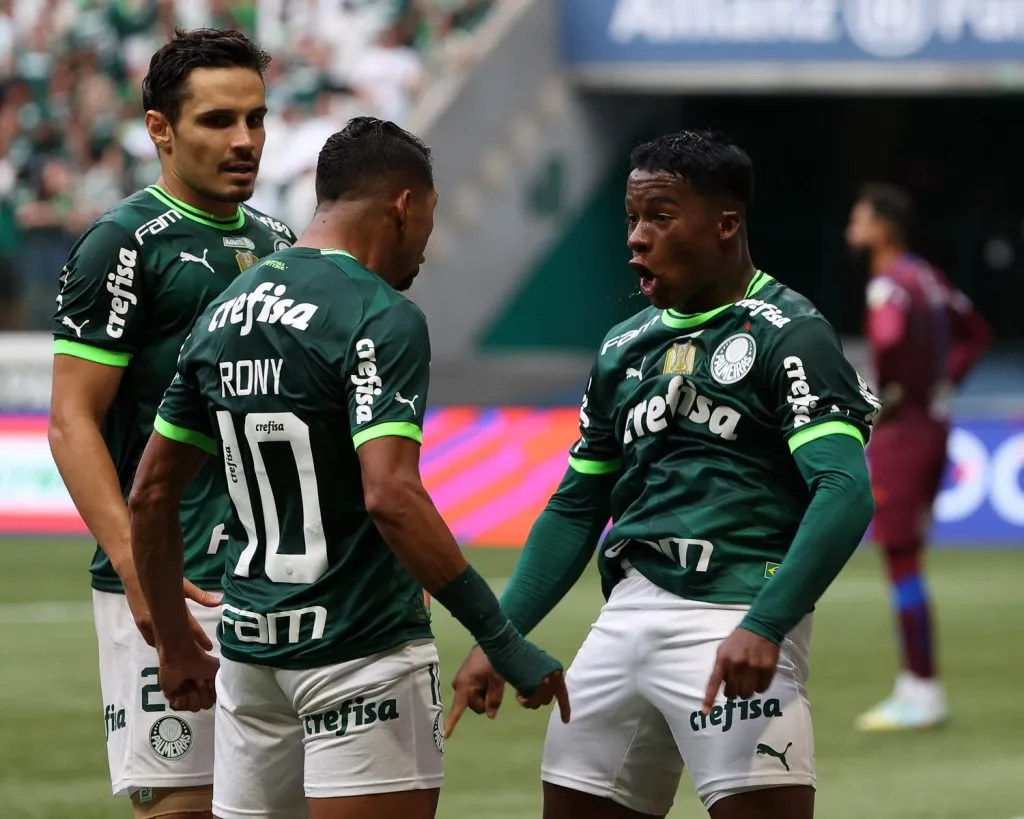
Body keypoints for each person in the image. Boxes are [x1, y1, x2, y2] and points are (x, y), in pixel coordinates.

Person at [127, 116, 570, 819]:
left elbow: (150, 494)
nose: (427, 240)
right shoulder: (378, 312)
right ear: (403, 205)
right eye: (429, 215)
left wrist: (177, 646)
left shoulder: (223, 311)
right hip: (360, 652)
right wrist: (501, 638)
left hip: (252, 658)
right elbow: (391, 494)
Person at [447, 130, 880, 819]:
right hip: (622, 619)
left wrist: (765, 622)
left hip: (733, 614)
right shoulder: (624, 346)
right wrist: (500, 636)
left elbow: (846, 491)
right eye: (631, 218)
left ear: (726, 223)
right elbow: (575, 506)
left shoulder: (790, 333)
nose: (637, 239)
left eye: (660, 216)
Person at [47, 29, 297, 819]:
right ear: (160, 129)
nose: (244, 140)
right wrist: (137, 571)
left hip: (274, 577)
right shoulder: (121, 244)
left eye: (256, 119)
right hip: (169, 579)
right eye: (218, 121)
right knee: (183, 806)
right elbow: (70, 421)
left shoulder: (279, 242)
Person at [845, 183, 990, 732]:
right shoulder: (928, 276)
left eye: (858, 219)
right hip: (935, 424)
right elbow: (975, 332)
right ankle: (919, 685)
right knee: (908, 558)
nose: (850, 230)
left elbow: (888, 339)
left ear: (883, 227)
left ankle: (921, 690)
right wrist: (942, 381)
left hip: (903, 434)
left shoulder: (888, 286)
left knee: (901, 560)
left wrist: (883, 395)